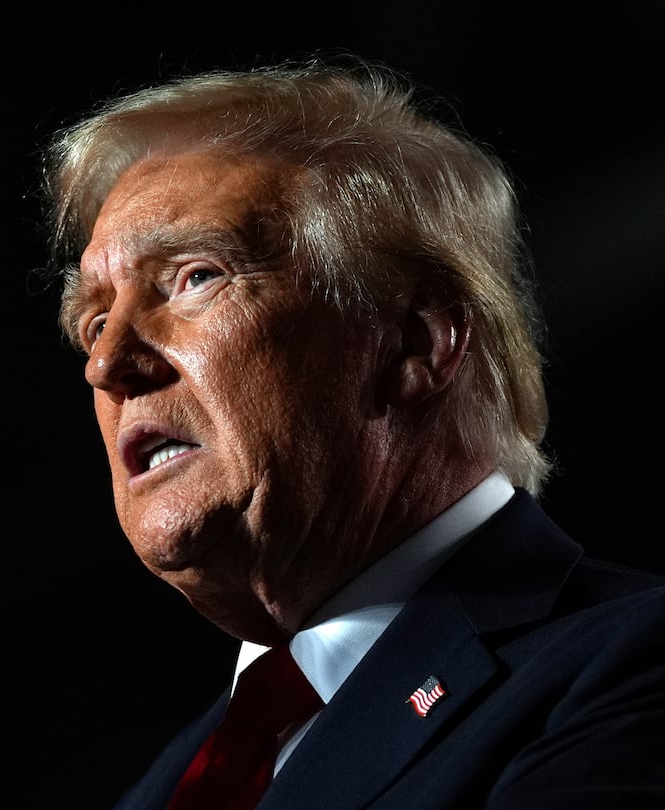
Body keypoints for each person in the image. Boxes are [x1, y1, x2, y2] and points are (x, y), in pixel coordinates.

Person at [38, 56, 665, 809]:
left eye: (195, 276)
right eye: (95, 320)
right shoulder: (164, 785)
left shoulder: (629, 666)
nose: (106, 363)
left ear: (416, 344)